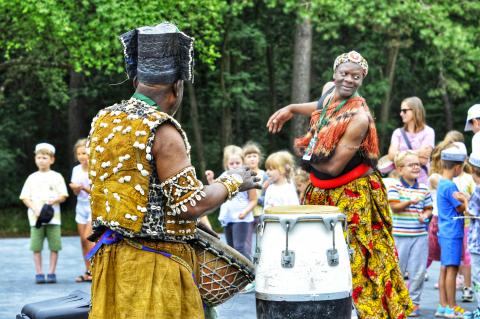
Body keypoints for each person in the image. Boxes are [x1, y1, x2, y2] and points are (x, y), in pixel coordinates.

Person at [86, 23, 259, 319]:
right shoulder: (163, 130)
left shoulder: (105, 119)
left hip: (114, 262)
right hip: (155, 265)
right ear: (177, 86)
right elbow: (190, 204)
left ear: (135, 79)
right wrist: (233, 181)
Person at [267, 51, 413, 318]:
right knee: (317, 258)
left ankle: (368, 313)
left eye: (355, 76)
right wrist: (290, 109)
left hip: (352, 194)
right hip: (320, 191)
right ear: (334, 74)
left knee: (355, 260)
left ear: (361, 80)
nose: (348, 80)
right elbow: (320, 105)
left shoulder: (359, 117)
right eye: (344, 74)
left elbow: (333, 168)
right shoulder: (328, 90)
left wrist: (305, 156)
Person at [387, 151, 433, 317]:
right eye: (411, 164)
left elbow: (429, 209)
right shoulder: (394, 187)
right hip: (399, 236)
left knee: (418, 272)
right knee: (398, 270)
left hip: (420, 235)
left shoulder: (424, 188)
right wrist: (410, 201)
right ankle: (397, 301)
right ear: (400, 169)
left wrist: (425, 215)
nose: (416, 167)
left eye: (417, 164)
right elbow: (394, 207)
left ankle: (414, 303)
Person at [19, 143, 68, 284]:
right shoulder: (32, 177)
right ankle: (39, 272)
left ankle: (52, 272)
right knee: (36, 247)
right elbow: (24, 197)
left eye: (45, 157)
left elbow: (64, 195)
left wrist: (55, 200)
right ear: (35, 159)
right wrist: (34, 208)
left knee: (54, 246)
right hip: (36, 219)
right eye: (39, 157)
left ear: (52, 160)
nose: (41, 160)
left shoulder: (57, 176)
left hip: (54, 219)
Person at [435, 142, 471, 318]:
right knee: (452, 269)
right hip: (453, 233)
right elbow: (460, 209)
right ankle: (452, 306)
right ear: (457, 168)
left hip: (445, 231)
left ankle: (443, 305)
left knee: (444, 268)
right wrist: (465, 200)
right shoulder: (450, 186)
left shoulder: (442, 183)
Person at [206, 145, 258, 260]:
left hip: (241, 218)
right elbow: (215, 189)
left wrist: (245, 212)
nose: (234, 166)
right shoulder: (225, 176)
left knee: (240, 249)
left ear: (243, 163)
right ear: (226, 164)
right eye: (231, 163)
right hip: (228, 217)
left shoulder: (248, 177)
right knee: (230, 250)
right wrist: (210, 180)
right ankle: (237, 277)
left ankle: (252, 273)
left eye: (237, 163)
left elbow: (253, 200)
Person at [388, 96, 435, 184]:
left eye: (404, 110)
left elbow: (423, 160)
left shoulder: (429, 131)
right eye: (401, 111)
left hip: (421, 182)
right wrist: (418, 152)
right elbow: (391, 155)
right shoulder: (397, 132)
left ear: (415, 111)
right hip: (399, 182)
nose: (401, 114)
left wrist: (400, 155)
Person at [69, 138, 94, 282]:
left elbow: (98, 193)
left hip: (93, 207)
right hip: (81, 207)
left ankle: (96, 270)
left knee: (88, 238)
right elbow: (76, 193)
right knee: (83, 241)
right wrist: (76, 189)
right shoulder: (76, 170)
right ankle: (88, 271)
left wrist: (83, 187)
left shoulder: (95, 169)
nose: (82, 156)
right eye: (79, 154)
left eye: (84, 153)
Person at [467, 152, 480, 318]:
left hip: (478, 243)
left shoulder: (477, 191)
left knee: (478, 277)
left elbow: (472, 212)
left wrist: (465, 202)